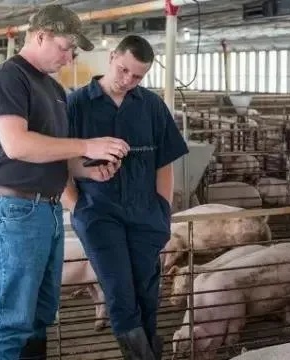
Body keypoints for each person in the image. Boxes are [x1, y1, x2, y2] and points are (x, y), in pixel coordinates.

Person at [0, 5, 130, 360]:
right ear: (39, 35)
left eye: (73, 50)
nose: (69, 56)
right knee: (11, 321)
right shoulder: (10, 77)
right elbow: (16, 144)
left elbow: (48, 152)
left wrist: (83, 168)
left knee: (40, 314)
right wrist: (87, 145)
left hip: (46, 209)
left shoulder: (53, 87)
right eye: (64, 46)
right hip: (14, 210)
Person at [62, 35, 189, 359]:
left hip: (146, 215)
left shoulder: (151, 106)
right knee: (120, 292)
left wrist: (163, 209)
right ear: (112, 57)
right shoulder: (76, 104)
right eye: (123, 70)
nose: (128, 81)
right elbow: (57, 161)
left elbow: (164, 162)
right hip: (99, 214)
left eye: (137, 76)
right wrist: (77, 207)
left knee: (148, 294)